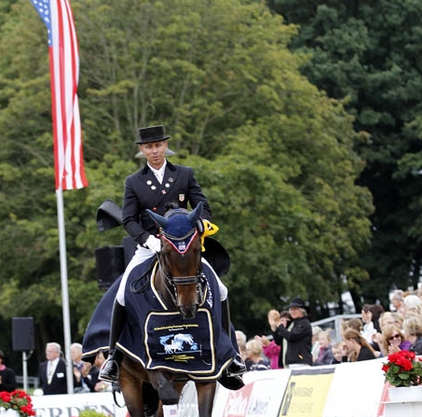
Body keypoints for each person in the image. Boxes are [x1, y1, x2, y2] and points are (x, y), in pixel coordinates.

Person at [99, 125, 245, 385]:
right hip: (150, 246)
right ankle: (113, 357)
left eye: (158, 146)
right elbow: (129, 219)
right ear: (142, 150)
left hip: (184, 247)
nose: (154, 151)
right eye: (149, 147)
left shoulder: (185, 174)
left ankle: (230, 354)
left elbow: (204, 207)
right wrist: (147, 240)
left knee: (221, 290)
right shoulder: (133, 182)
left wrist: (200, 226)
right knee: (121, 293)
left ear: (165, 146)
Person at [268, 297, 313, 367]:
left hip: (301, 362)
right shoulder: (292, 324)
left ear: (302, 311)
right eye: (291, 309)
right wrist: (274, 327)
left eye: (295, 309)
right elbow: (279, 341)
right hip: (290, 362)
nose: (292, 311)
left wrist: (279, 323)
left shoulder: (304, 323)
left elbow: (291, 336)